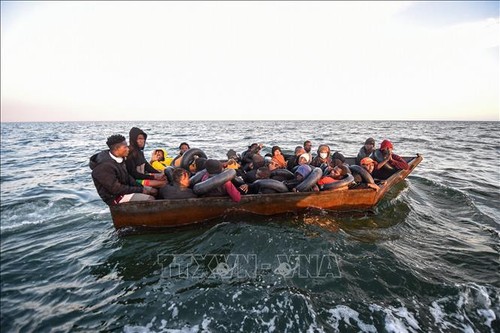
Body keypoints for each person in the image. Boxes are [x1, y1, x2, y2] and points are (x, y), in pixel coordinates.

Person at [89, 134, 157, 205]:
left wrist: (140, 187)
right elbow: (116, 189)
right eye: (125, 147)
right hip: (115, 197)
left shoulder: (119, 158)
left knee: (154, 191)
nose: (128, 149)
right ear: (116, 149)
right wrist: (141, 190)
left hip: (125, 189)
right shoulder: (104, 167)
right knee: (150, 199)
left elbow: (127, 177)